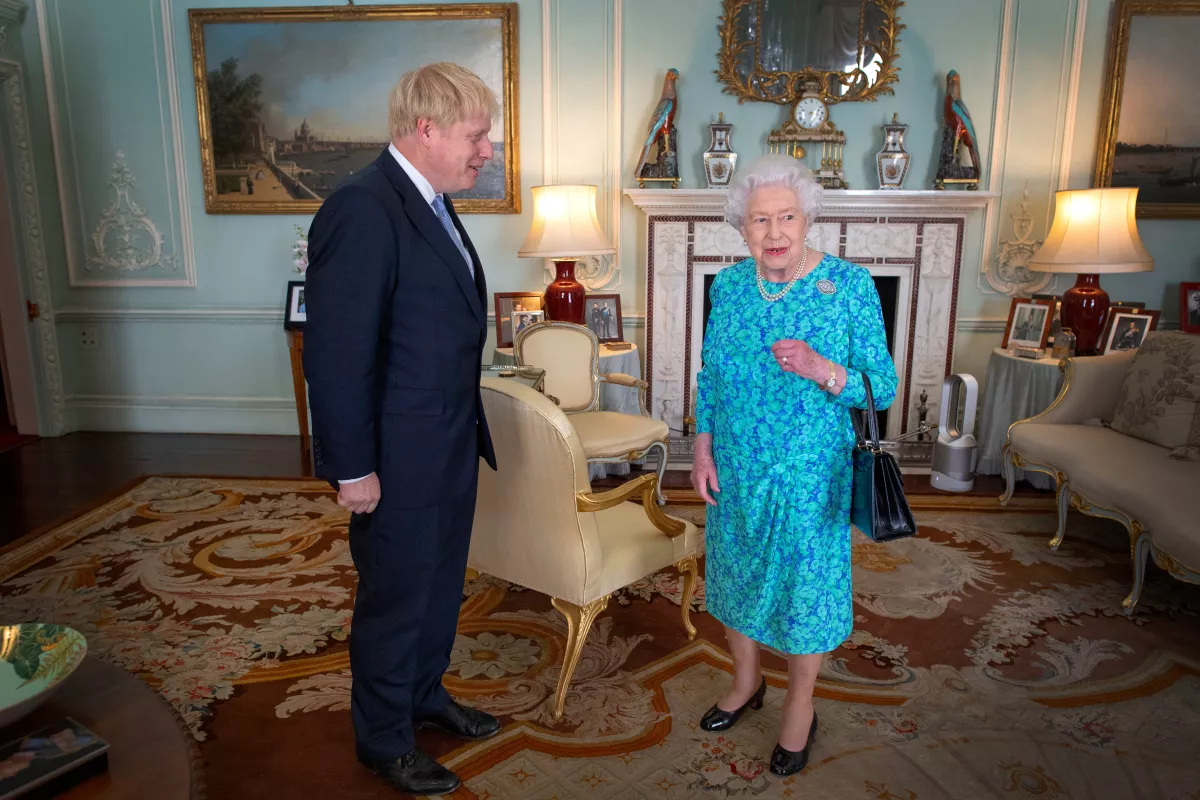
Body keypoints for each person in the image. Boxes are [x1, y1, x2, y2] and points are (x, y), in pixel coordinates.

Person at [301, 62, 500, 796]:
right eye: (477, 136)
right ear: (427, 128)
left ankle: (423, 696)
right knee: (395, 597)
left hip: (446, 442)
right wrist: (351, 467)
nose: (488, 150)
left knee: (440, 585)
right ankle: (383, 740)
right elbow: (336, 354)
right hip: (395, 455)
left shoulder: (435, 203)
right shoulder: (361, 208)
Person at [690, 154, 898, 777]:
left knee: (805, 591)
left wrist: (820, 368)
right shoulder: (728, 287)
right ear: (742, 228)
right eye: (760, 221)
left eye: (787, 217)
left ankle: (800, 705)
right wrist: (701, 446)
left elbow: (881, 388)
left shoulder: (850, 286)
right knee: (735, 572)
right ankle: (747, 681)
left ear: (808, 220)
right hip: (736, 464)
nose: (774, 233)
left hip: (812, 472)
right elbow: (712, 376)